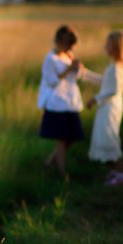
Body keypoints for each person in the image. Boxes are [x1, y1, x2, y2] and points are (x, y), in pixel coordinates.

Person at [38, 25, 97, 176]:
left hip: (70, 103)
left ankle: (50, 163)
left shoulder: (69, 55)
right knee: (62, 139)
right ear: (59, 41)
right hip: (57, 104)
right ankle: (62, 172)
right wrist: (69, 69)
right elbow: (52, 81)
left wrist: (99, 79)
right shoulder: (50, 59)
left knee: (72, 137)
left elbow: (80, 75)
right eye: (67, 44)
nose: (69, 48)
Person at [84, 29, 123, 186]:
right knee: (104, 137)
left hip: (110, 108)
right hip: (106, 107)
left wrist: (95, 99)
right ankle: (114, 172)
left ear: (116, 47)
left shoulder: (117, 68)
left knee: (109, 138)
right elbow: (104, 82)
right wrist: (84, 73)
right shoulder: (113, 66)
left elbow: (114, 90)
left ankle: (120, 174)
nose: (105, 47)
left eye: (108, 44)